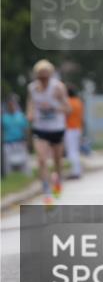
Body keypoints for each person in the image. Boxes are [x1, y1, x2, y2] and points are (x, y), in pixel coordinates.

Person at [26, 60, 71, 208]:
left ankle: (57, 182)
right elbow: (31, 105)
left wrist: (53, 108)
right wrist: (30, 114)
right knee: (41, 159)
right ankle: (46, 192)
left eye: (45, 77)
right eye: (40, 77)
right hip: (40, 128)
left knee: (57, 161)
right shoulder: (32, 88)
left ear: (50, 75)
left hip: (57, 128)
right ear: (36, 76)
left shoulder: (58, 87)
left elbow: (68, 109)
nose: (43, 80)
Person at [2, 95, 30, 177]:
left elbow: (26, 129)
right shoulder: (3, 117)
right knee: (7, 162)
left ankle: (26, 176)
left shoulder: (21, 116)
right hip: (8, 143)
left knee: (24, 161)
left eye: (13, 104)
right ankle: (8, 176)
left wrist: (27, 141)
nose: (11, 106)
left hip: (20, 141)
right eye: (9, 104)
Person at [64, 87, 85, 179]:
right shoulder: (78, 101)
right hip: (78, 128)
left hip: (70, 128)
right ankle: (78, 169)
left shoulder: (68, 102)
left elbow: (66, 115)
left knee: (71, 152)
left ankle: (75, 171)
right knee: (75, 151)